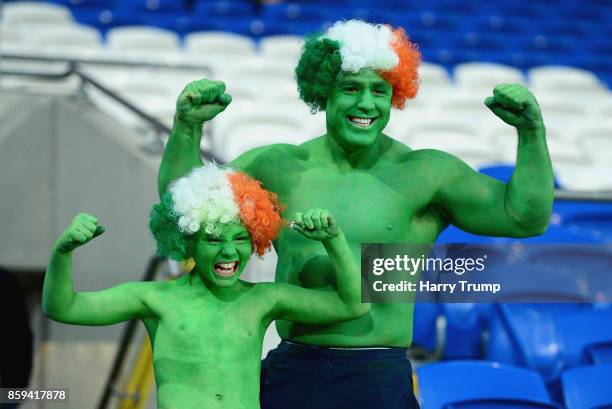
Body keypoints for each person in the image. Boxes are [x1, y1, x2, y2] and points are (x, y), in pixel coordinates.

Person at [158, 20, 554, 409]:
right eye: (351, 88)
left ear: (394, 96)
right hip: (292, 368)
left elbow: (524, 218)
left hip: (377, 374)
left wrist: (532, 133)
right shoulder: (279, 166)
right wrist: (188, 128)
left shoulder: (426, 173)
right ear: (324, 93)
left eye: (379, 91)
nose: (366, 103)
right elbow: (186, 206)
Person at [42, 163, 369, 409]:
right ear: (187, 242)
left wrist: (334, 241)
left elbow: (354, 305)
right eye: (213, 239)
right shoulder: (154, 298)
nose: (229, 251)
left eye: (241, 238)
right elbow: (63, 307)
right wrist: (62, 252)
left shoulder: (264, 298)